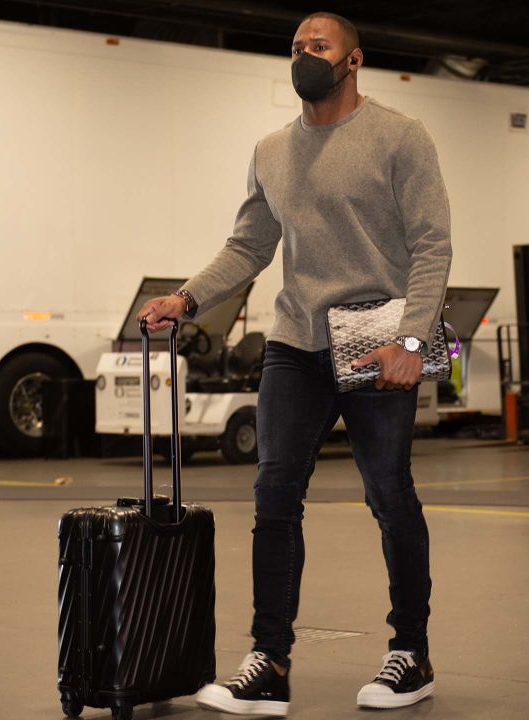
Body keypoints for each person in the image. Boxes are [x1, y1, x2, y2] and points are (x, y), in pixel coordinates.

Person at [136, 11, 450, 716]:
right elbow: (249, 246)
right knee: (274, 496)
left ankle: (411, 653)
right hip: (296, 341)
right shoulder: (271, 149)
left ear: (353, 60)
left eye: (320, 45)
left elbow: (432, 246)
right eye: (296, 46)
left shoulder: (400, 137)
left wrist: (409, 341)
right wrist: (186, 297)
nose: (304, 54)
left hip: (375, 336)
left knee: (389, 496)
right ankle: (268, 662)